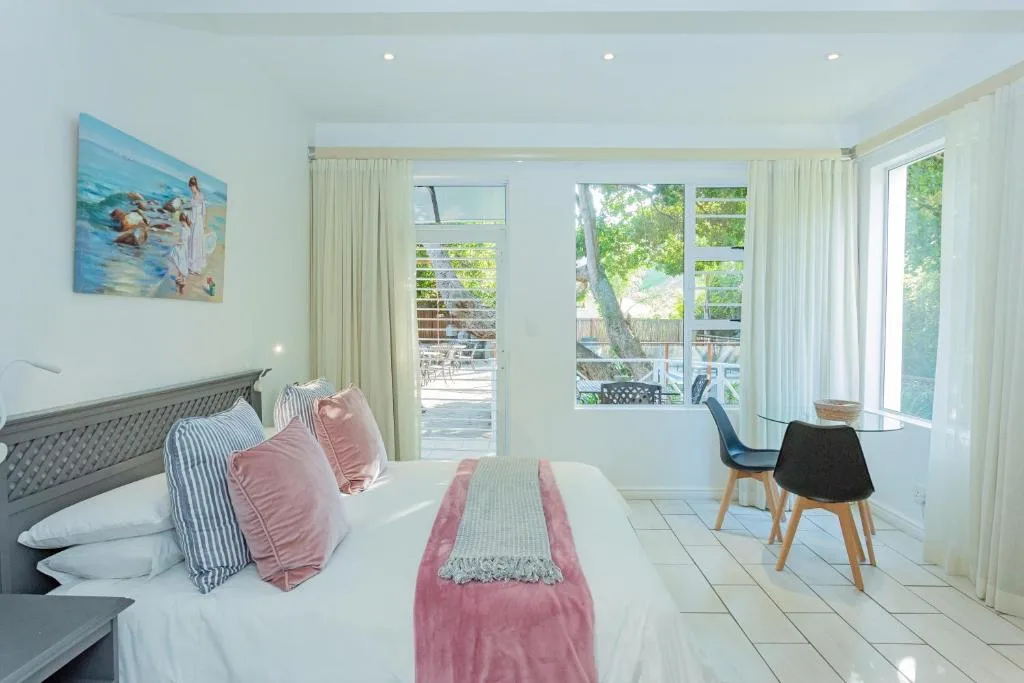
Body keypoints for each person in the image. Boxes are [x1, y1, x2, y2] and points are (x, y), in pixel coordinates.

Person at [186, 176, 207, 274]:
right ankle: (197, 268)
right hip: (200, 221)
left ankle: (193, 268)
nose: (191, 189)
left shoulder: (195, 197)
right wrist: (203, 222)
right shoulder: (201, 195)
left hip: (195, 222)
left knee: (194, 242)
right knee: (198, 243)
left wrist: (190, 221)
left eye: (191, 187)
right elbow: (204, 211)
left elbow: (194, 212)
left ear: (193, 186)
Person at [169, 213, 191, 294]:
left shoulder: (182, 228)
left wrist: (175, 243)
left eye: (180, 221)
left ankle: (181, 277)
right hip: (186, 248)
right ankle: (181, 277)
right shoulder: (188, 228)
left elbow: (181, 240)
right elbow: (186, 239)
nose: (180, 223)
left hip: (182, 247)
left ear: (182, 220)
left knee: (174, 255)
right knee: (183, 261)